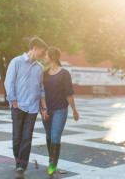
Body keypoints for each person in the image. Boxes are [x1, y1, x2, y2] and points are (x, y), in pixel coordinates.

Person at [4, 37, 48, 179]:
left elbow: (41, 89)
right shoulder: (16, 62)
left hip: (33, 108)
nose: (42, 56)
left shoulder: (40, 68)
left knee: (27, 138)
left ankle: (21, 167)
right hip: (18, 106)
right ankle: (19, 162)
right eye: (41, 52)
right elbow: (9, 82)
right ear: (34, 48)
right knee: (17, 137)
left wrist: (43, 107)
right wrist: (13, 102)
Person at [42, 46, 79, 179]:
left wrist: (74, 111)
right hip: (47, 111)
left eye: (46, 55)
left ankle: (52, 169)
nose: (43, 57)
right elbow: (41, 93)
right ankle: (51, 163)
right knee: (48, 136)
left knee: (55, 136)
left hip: (60, 110)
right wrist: (43, 109)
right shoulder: (44, 73)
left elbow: (69, 94)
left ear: (52, 56)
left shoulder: (64, 73)